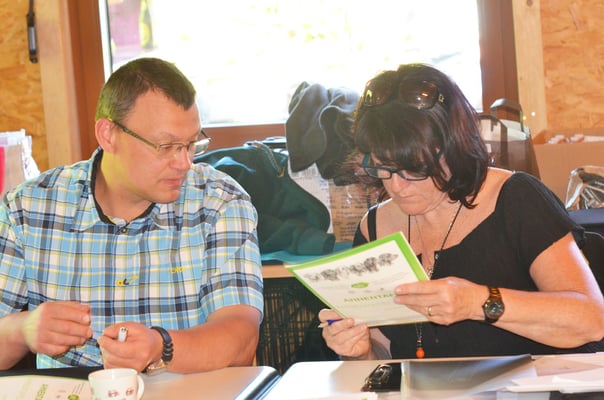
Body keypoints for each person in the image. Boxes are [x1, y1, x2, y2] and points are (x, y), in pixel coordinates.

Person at [319, 63, 604, 360]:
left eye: (414, 169)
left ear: (453, 148)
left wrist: (476, 302)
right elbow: (386, 352)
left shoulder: (516, 199)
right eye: (383, 168)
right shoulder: (374, 227)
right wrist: (358, 352)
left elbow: (591, 320)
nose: (397, 186)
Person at [0, 57, 264, 373]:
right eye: (165, 146)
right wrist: (21, 330)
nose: (184, 162)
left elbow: (242, 339)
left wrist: (161, 346)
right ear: (108, 134)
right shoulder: (27, 209)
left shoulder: (219, 202)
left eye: (192, 144)